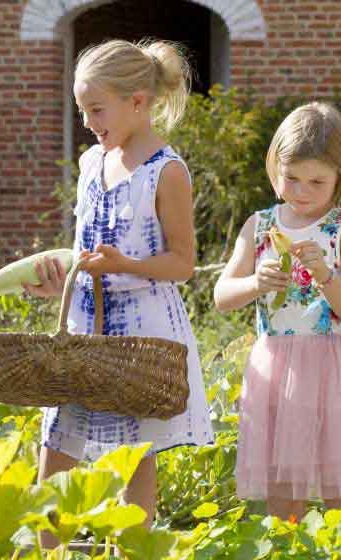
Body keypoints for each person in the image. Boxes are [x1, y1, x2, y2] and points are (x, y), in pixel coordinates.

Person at [25, 39, 214, 546]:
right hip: (82, 325)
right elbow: (82, 252)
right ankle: (50, 554)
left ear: (138, 101)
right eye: (81, 109)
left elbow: (182, 263)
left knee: (134, 455)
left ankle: (134, 551)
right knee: (57, 444)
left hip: (141, 333)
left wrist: (123, 265)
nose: (88, 121)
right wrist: (58, 281)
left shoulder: (166, 172)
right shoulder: (92, 164)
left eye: (96, 108)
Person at [214, 102, 341, 524]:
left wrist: (324, 275)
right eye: (291, 178)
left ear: (340, 178)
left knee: (340, 492)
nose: (301, 191)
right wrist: (255, 284)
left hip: (336, 371)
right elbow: (222, 295)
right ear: (274, 167)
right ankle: (286, 550)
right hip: (278, 374)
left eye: (317, 181)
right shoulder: (260, 227)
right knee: (283, 494)